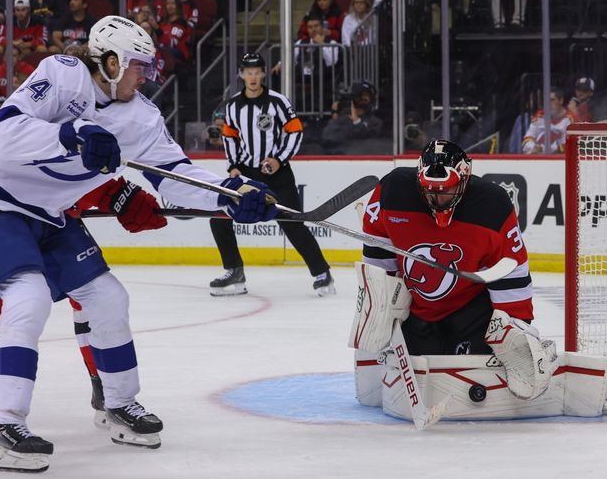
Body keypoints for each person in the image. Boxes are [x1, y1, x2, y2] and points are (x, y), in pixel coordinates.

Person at [0, 15, 278, 473]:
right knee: (28, 297)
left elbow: (178, 174)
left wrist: (234, 198)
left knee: (108, 297)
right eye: (139, 67)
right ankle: (4, 426)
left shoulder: (142, 116)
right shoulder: (61, 74)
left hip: (49, 214)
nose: (146, 76)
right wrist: (70, 133)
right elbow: (6, 132)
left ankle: (119, 405)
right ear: (110, 61)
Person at [355, 140, 555, 409]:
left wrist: (518, 330)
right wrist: (384, 300)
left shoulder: (492, 206)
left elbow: (512, 271)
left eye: (446, 190)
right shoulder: (393, 191)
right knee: (401, 358)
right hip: (418, 311)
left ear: (464, 179)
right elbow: (377, 243)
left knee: (475, 370)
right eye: (430, 191)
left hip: (471, 313)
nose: (437, 200)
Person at [209, 53, 335, 297]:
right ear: (241, 74)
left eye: (257, 72)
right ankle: (234, 272)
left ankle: (322, 274)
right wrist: (233, 166)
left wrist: (279, 159)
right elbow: (230, 136)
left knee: (293, 224)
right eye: (249, 72)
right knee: (219, 218)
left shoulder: (277, 101)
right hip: (246, 175)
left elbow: (295, 131)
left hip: (277, 173)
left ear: (264, 73)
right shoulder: (233, 105)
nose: (253, 77)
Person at [521, 87, 574, 154]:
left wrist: (549, 149)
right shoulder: (539, 116)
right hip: (538, 160)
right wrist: (533, 147)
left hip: (559, 161)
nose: (549, 103)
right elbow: (527, 139)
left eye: (552, 100)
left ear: (561, 101)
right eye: (547, 100)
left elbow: (571, 145)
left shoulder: (570, 119)